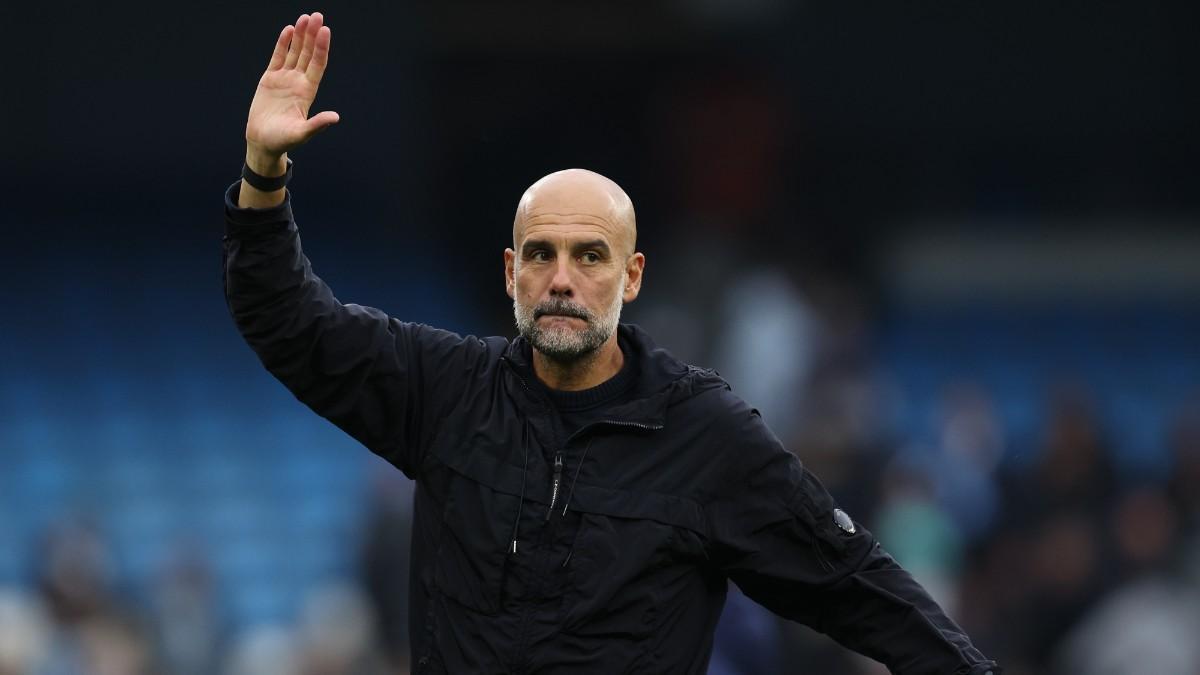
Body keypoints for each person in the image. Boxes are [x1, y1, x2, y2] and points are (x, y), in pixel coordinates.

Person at [223, 12, 1001, 675]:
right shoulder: (444, 388)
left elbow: (856, 585)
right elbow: (287, 320)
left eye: (589, 255)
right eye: (541, 254)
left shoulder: (707, 435)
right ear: (510, 273)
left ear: (631, 277)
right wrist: (264, 174)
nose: (562, 278)